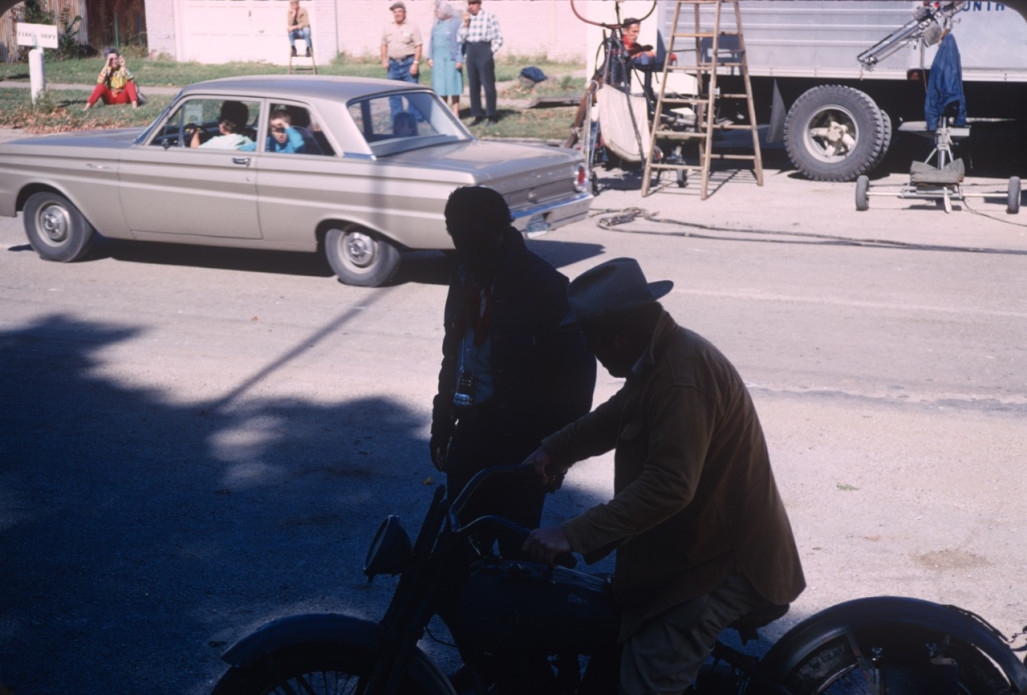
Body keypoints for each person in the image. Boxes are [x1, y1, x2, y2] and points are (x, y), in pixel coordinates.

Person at [521, 257, 805, 694]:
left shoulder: (680, 377)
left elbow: (669, 486)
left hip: (720, 566)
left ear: (618, 335)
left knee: (647, 683)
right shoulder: (658, 360)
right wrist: (553, 450)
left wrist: (571, 533)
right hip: (689, 556)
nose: (590, 351)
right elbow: (618, 415)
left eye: (590, 338)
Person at [431, 186, 596, 552]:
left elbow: (577, 380)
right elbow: (453, 354)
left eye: (473, 239)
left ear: (499, 231)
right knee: (459, 550)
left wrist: (558, 453)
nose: (464, 249)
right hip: (469, 432)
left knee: (515, 559)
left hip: (522, 447)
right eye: (455, 236)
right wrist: (441, 425)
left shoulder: (546, 285)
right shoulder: (463, 276)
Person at [457, 0, 503, 125]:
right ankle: (477, 114)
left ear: (479, 4)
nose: (471, 6)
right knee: (473, 85)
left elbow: (499, 38)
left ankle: (492, 115)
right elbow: (459, 38)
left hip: (484, 49)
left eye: (473, 3)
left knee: (488, 84)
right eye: (469, 4)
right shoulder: (467, 19)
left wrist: (490, 52)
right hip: (471, 50)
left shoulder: (489, 16)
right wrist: (465, 24)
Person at [428, 2, 463, 118]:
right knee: (440, 86)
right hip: (438, 60)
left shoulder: (455, 23)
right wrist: (430, 57)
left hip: (451, 60)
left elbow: (460, 43)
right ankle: (444, 112)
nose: (436, 13)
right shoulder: (436, 23)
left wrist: (459, 59)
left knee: (453, 86)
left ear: (445, 12)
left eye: (438, 11)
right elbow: (431, 41)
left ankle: (455, 112)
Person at [381, 1, 423, 84]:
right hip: (393, 65)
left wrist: (415, 64)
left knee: (412, 93)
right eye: (395, 12)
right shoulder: (388, 27)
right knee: (393, 93)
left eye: (399, 11)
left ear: (405, 13)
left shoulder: (412, 27)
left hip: (408, 64)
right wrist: (384, 59)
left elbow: (418, 45)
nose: (397, 14)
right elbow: (384, 44)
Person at [190, 101, 255, 150]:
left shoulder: (218, 142)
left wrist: (194, 134)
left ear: (223, 123)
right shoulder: (247, 141)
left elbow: (194, 152)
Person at [240, 109, 306, 154]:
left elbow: (299, 146)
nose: (280, 135)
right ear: (271, 131)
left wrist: (286, 125)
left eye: (283, 130)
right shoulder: (270, 140)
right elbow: (244, 149)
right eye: (277, 131)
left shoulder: (293, 140)